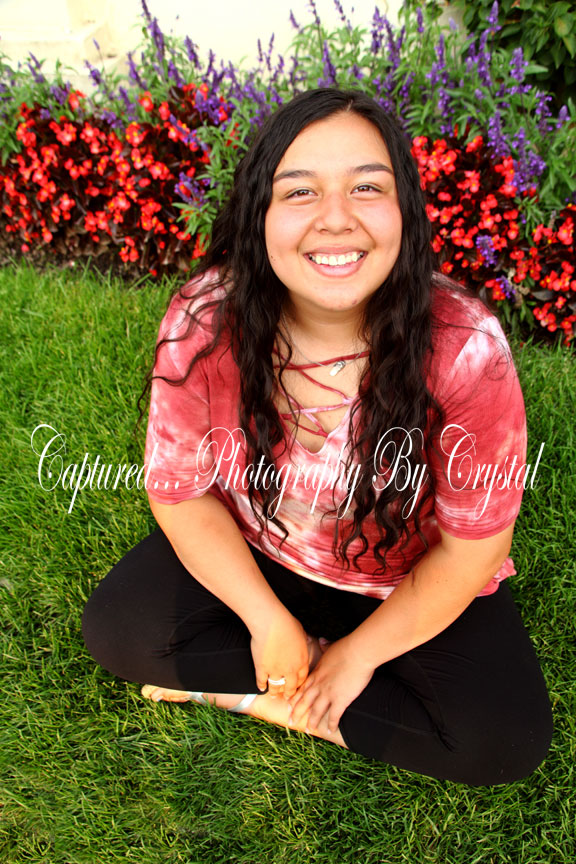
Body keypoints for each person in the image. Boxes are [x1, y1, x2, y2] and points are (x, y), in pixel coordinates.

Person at [82, 88, 553, 785]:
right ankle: (285, 685)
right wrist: (265, 621)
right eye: (300, 191)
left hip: (402, 575)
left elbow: (472, 552)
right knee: (119, 629)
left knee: (505, 740)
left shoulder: (466, 349)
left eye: (367, 187)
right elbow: (180, 494)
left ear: (404, 209)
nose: (336, 218)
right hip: (263, 546)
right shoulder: (206, 318)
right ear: (260, 213)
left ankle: (255, 693)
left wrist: (358, 656)